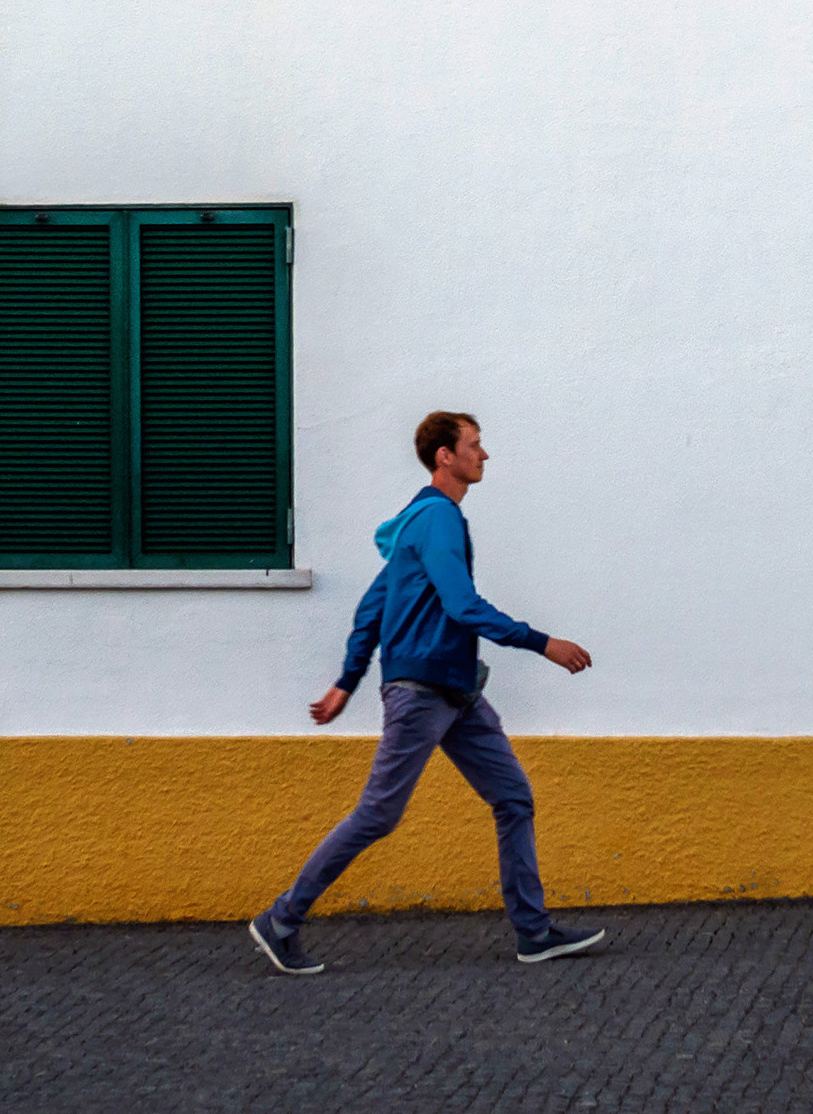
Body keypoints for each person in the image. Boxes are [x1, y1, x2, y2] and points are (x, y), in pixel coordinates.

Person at [249, 411, 604, 973]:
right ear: (445, 456)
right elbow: (463, 606)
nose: (483, 455)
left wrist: (349, 680)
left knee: (513, 798)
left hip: (456, 691)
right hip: (422, 692)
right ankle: (282, 919)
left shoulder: (417, 523)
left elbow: (371, 609)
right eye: (475, 445)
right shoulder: (438, 519)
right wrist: (543, 644)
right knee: (379, 814)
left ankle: (534, 933)